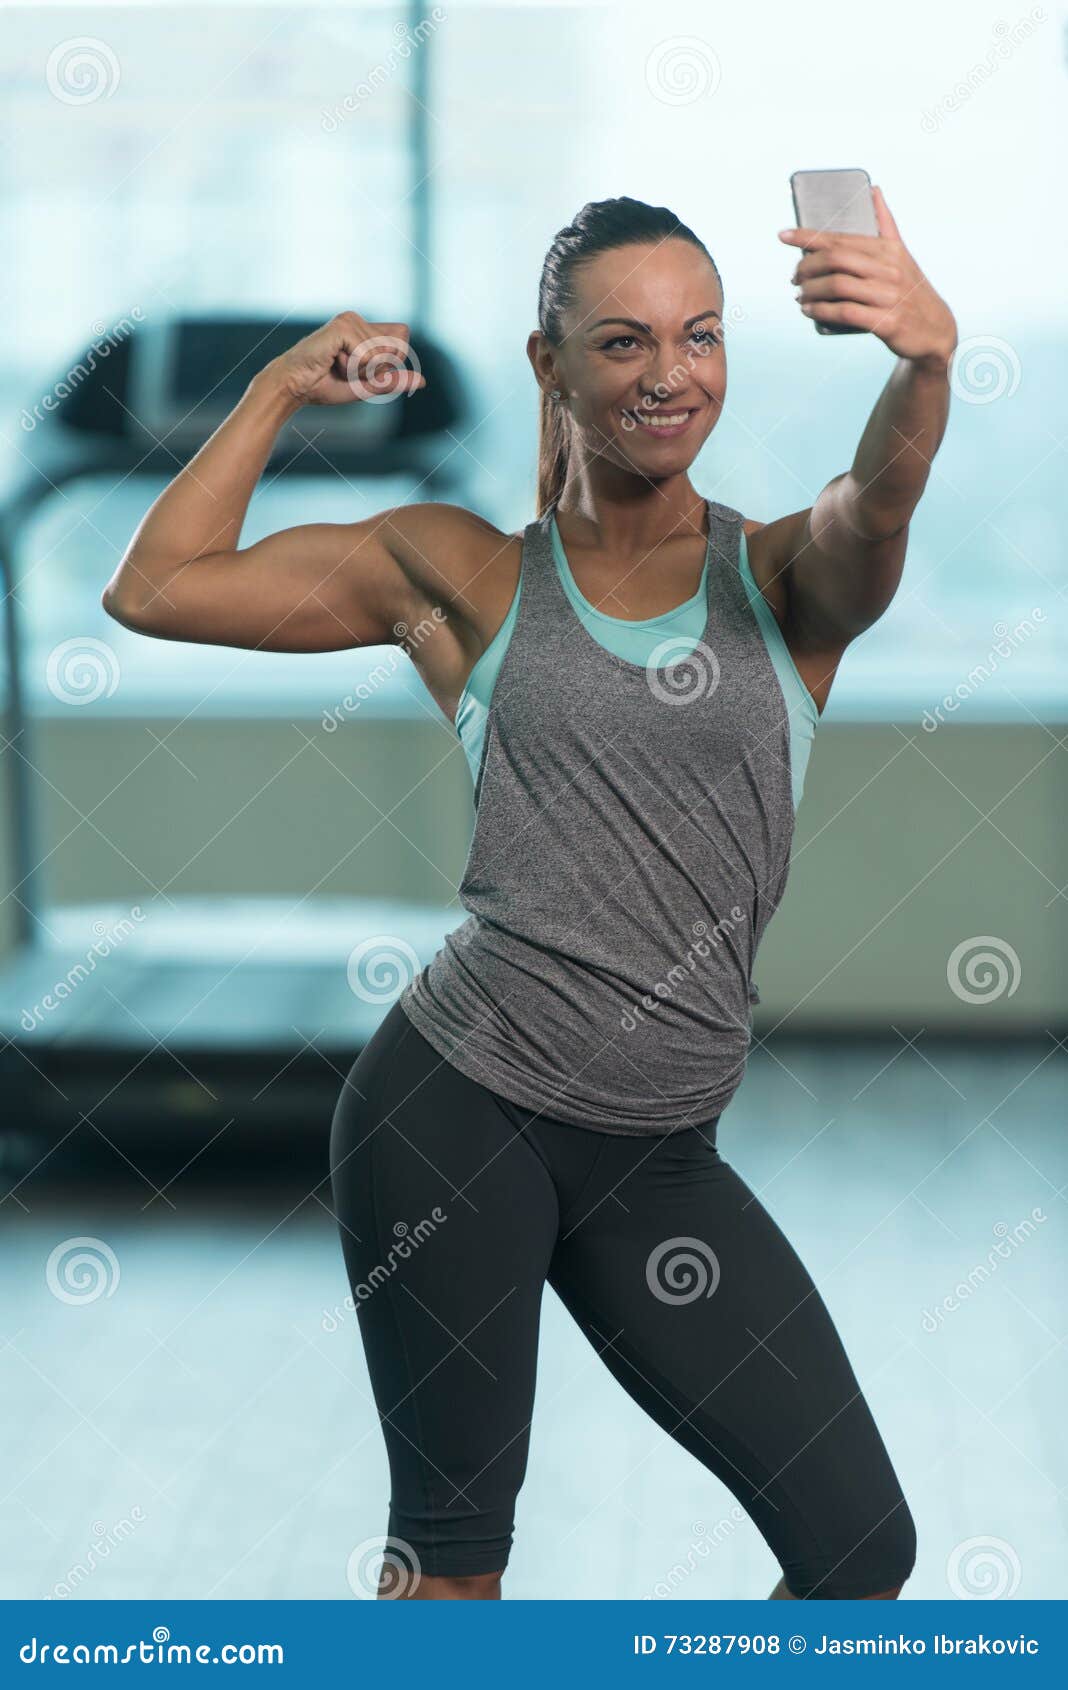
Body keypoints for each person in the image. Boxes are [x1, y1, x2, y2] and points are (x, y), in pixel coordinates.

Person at [103, 191, 957, 1602]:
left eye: (700, 337)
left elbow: (886, 497)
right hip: (454, 1109)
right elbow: (158, 589)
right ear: (550, 365)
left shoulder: (783, 575)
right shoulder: (465, 573)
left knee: (859, 1549)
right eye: (621, 342)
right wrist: (273, 390)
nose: (668, 374)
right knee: (450, 1563)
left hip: (656, 1153)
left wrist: (923, 367)